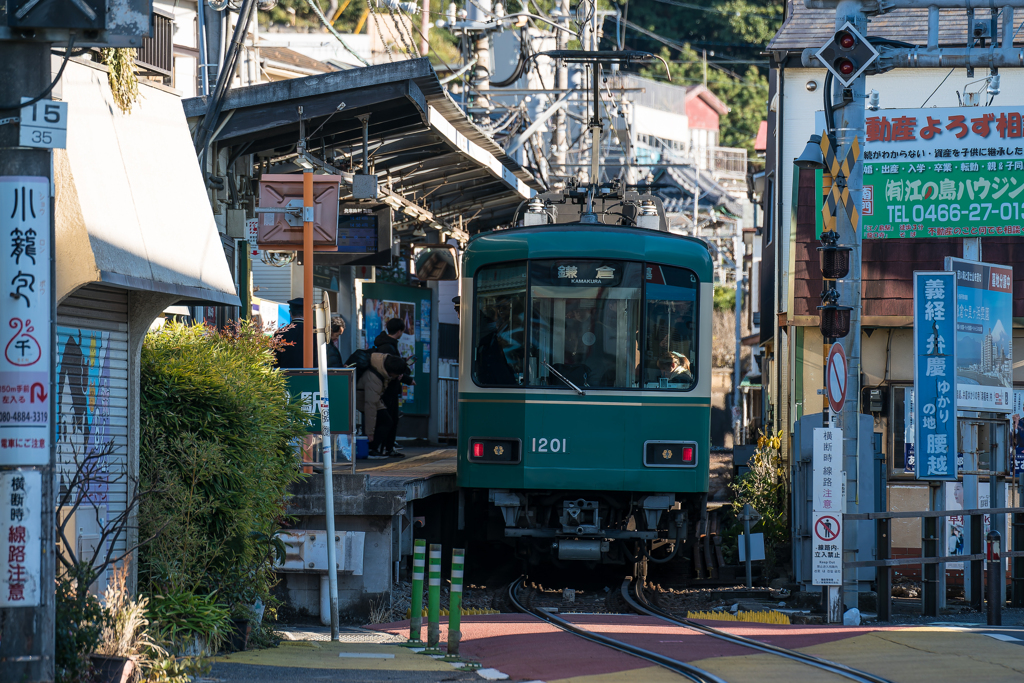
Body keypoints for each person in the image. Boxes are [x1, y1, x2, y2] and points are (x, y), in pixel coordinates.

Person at [373, 318, 415, 457]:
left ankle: (383, 447)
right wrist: (407, 377)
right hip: (388, 390)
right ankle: (385, 448)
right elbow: (393, 370)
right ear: (399, 331)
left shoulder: (383, 344)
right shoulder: (389, 347)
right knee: (390, 420)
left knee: (387, 419)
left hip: (383, 389)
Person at [357, 353, 409, 459]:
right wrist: (369, 433)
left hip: (373, 398)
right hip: (364, 399)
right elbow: (370, 406)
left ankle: (373, 448)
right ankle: (371, 449)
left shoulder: (382, 364)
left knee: (387, 421)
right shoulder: (374, 379)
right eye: (397, 375)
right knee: (385, 421)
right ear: (391, 372)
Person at [275, 297, 307, 368]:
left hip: (285, 375)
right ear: (307, 312)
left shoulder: (280, 333)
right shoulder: (315, 332)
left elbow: (274, 360)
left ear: (290, 313)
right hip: (311, 375)